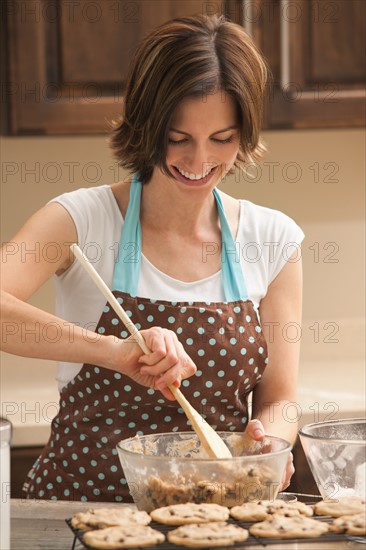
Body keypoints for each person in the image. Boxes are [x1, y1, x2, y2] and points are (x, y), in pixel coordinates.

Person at [1, 14, 303, 502]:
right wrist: (113, 351)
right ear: (147, 124)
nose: (199, 161)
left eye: (222, 139)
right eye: (178, 138)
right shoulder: (81, 220)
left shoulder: (273, 239)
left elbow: (280, 399)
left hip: (215, 517)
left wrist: (270, 446)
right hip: (78, 515)